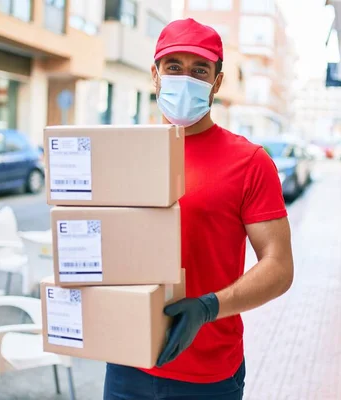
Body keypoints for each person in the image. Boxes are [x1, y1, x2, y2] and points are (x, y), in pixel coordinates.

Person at [103, 18, 295, 400]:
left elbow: (279, 267)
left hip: (209, 375)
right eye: (174, 67)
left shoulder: (250, 162)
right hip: (127, 362)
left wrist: (208, 308)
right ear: (155, 75)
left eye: (199, 70)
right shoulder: (125, 153)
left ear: (216, 83)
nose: (184, 78)